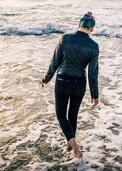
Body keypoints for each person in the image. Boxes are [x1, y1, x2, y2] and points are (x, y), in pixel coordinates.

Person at [40, 11, 99, 160]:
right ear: (92, 29)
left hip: (62, 81)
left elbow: (55, 62)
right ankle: (69, 144)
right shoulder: (94, 46)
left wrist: (46, 79)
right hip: (79, 84)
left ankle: (75, 148)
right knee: (72, 114)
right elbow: (92, 73)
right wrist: (95, 95)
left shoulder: (65, 38)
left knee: (61, 115)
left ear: (79, 25)